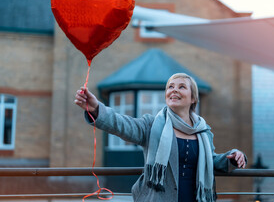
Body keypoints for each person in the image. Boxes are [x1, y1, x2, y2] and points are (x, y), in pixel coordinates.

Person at [75, 73, 247, 202]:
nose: (174, 90)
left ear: (193, 98)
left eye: (181, 87)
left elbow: (211, 161)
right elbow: (122, 124)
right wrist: (96, 108)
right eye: (170, 87)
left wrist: (232, 158)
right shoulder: (151, 125)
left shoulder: (203, 131)